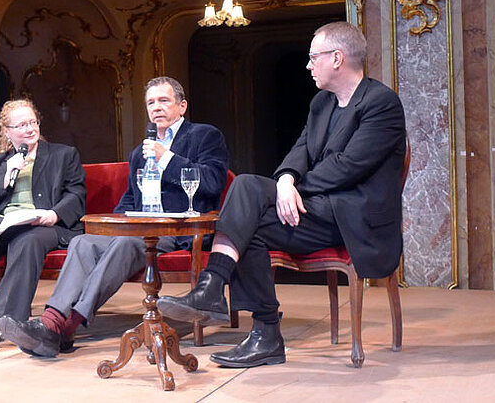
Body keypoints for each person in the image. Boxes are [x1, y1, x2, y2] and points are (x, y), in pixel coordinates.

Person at [156, 21, 407, 368]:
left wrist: (290, 190)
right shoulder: (322, 103)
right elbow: (300, 150)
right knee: (249, 229)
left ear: (337, 58)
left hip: (354, 219)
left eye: (313, 57)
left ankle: (212, 289)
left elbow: (349, 166)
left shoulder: (381, 103)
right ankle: (264, 333)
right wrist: (286, 179)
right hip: (317, 210)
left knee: (246, 187)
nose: (308, 65)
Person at [0, 76, 229, 357]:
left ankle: (68, 326)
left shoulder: (204, 136)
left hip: (178, 230)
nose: (156, 107)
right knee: (84, 242)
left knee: (127, 243)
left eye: (164, 101)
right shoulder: (139, 153)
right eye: (151, 102)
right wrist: (117, 223)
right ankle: (51, 322)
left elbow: (213, 181)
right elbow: (131, 199)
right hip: (140, 227)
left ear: (182, 106)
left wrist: (166, 158)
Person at [0, 99, 86, 355]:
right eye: (21, 125)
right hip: (5, 221)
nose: (30, 129)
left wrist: (54, 213)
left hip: (44, 224)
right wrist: (5, 179)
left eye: (33, 122)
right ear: (7, 131)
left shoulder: (62, 155)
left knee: (28, 239)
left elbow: (77, 194)